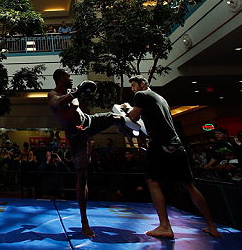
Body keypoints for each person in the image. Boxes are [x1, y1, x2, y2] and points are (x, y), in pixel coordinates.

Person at [126, 75, 219, 238]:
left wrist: (124, 113)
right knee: (189, 185)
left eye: (134, 85)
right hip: (176, 144)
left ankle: (164, 226)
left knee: (152, 181)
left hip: (159, 143)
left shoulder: (142, 95)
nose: (133, 89)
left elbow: (133, 118)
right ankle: (212, 226)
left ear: (142, 84)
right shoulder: (161, 98)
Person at [48, 69, 126, 238]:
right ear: (62, 78)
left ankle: (130, 131)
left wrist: (80, 94)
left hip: (88, 123)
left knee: (117, 118)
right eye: (68, 77)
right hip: (76, 137)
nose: (71, 79)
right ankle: (85, 222)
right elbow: (58, 104)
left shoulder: (72, 93)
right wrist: (79, 90)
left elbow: (76, 112)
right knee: (82, 176)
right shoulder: (53, 94)